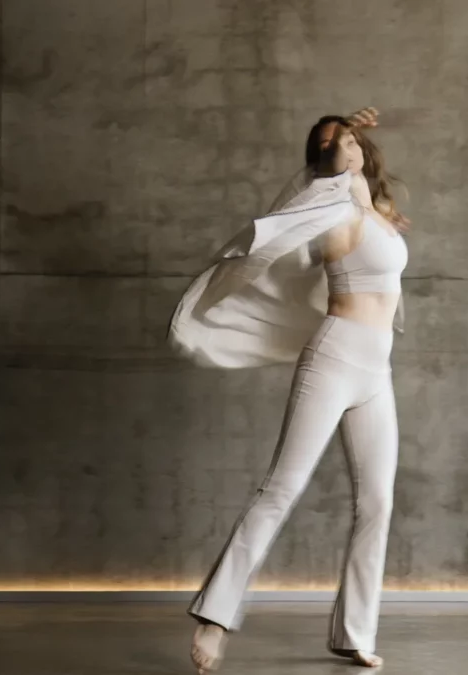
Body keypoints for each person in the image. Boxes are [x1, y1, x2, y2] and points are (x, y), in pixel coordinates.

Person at [168, 108, 409, 673]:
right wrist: (335, 145)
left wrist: (359, 161)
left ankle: (354, 632)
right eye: (329, 144)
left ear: (364, 148)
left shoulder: (375, 214)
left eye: (348, 139)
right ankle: (215, 616)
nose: (341, 146)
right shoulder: (327, 209)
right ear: (319, 160)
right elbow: (302, 196)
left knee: (378, 502)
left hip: (376, 370)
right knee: (282, 488)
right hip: (335, 358)